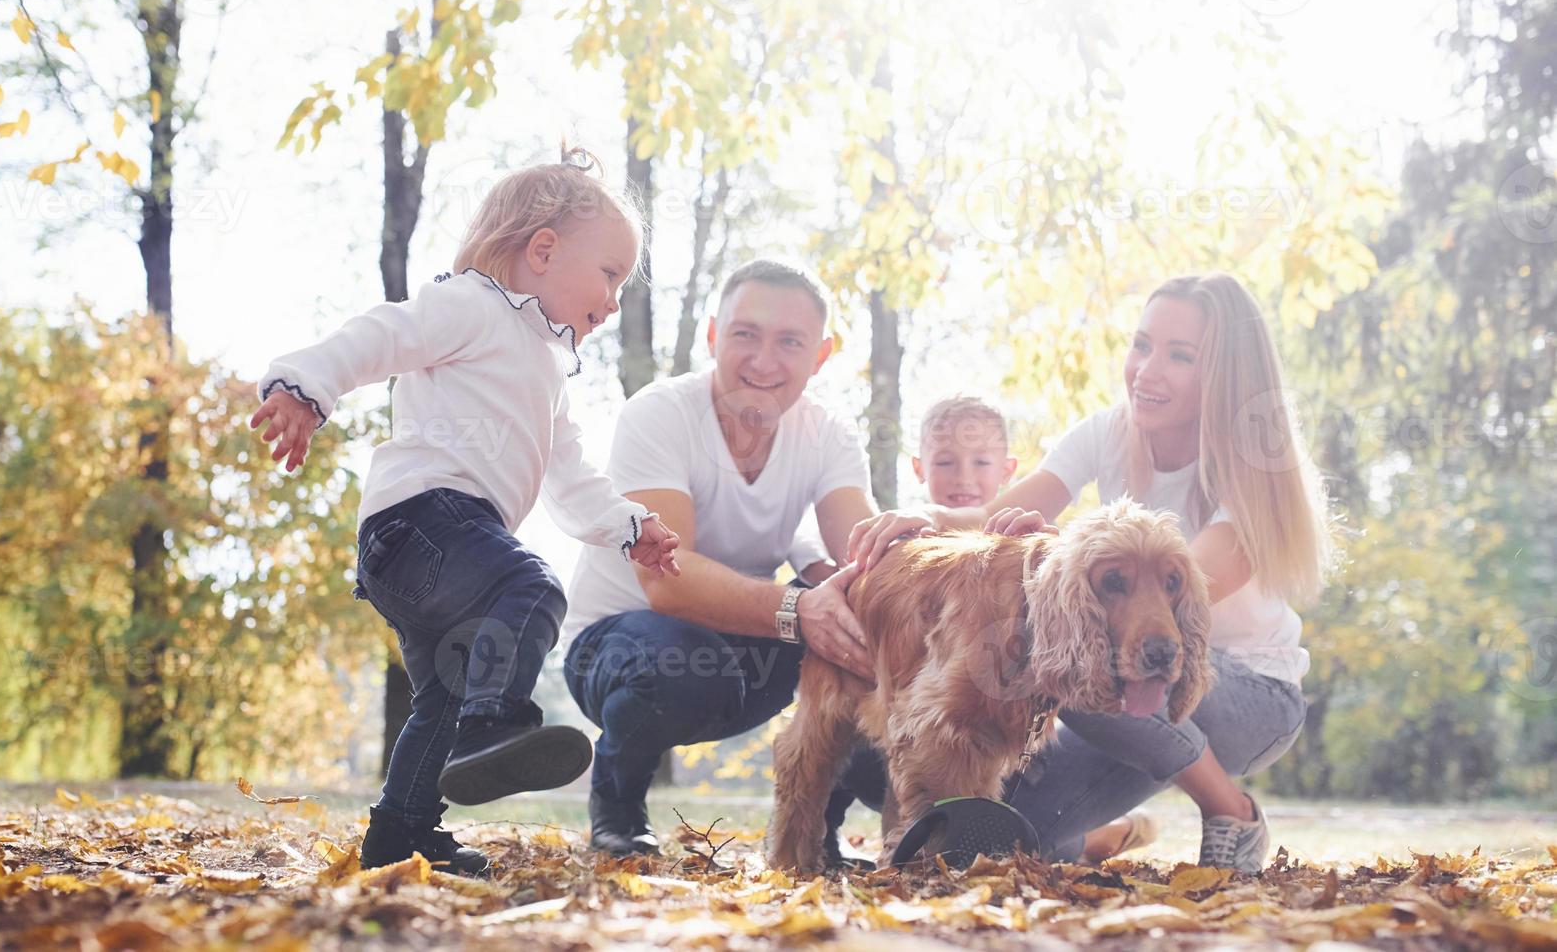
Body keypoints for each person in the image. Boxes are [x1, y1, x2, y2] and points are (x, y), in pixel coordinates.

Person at [249, 148, 682, 876]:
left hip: (438, 558)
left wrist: (629, 527)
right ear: (542, 250)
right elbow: (378, 336)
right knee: (533, 588)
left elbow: (571, 478)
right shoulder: (469, 305)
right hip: (421, 526)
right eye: (609, 273)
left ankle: (401, 835)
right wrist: (303, 386)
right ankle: (493, 725)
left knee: (441, 698)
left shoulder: (547, 371)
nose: (613, 301)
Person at [848, 273, 1333, 872]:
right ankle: (1105, 838)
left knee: (1066, 651)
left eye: (1180, 356)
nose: (1147, 370)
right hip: (1127, 691)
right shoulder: (1108, 431)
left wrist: (1063, 562)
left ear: (1226, 374)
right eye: (1142, 344)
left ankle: (1230, 809)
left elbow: (1182, 597)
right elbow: (994, 523)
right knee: (1002, 818)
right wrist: (926, 517)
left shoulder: (1253, 472)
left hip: (1242, 693)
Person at [563, 258, 884, 864]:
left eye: (790, 341)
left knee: (856, 625)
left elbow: (860, 551)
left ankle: (816, 827)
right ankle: (617, 809)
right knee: (682, 661)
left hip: (739, 649)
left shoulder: (829, 434)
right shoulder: (660, 414)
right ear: (713, 336)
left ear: (821, 355)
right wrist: (798, 608)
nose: (764, 361)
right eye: (745, 335)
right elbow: (667, 580)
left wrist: (914, 548)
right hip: (619, 649)